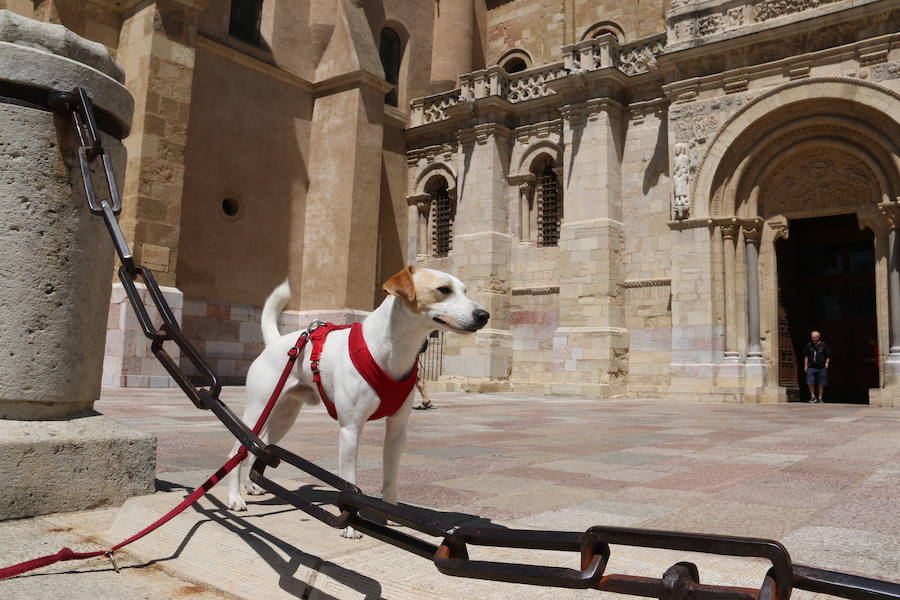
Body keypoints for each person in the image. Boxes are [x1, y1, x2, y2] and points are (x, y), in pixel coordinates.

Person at [803, 330, 830, 403]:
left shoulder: (824, 345)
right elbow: (806, 356)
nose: (813, 338)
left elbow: (828, 355)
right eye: (812, 337)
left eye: (814, 337)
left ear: (818, 337)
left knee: (821, 383)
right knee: (810, 382)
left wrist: (826, 364)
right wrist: (805, 366)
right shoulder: (809, 345)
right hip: (811, 367)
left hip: (821, 367)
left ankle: (820, 398)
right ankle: (812, 397)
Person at [412, 337, 434, 410]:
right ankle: (426, 399)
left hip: (411, 354)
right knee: (414, 377)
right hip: (413, 353)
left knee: (413, 376)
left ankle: (426, 399)